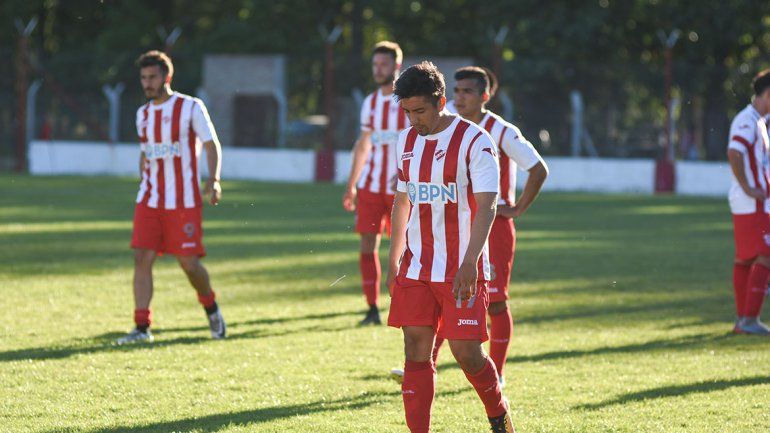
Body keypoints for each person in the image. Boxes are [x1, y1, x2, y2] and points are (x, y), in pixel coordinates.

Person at [387, 61, 514, 433]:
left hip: (461, 265)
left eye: (420, 111)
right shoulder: (405, 141)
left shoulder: (475, 140)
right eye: (407, 112)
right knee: (415, 348)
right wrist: (393, 256)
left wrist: (470, 262)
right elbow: (402, 200)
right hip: (417, 265)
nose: (414, 120)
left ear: (441, 101)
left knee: (467, 354)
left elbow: (488, 204)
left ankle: (498, 415)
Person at [428, 66, 548, 384]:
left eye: (468, 91)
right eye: (456, 91)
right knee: (442, 292)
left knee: (495, 302)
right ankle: (428, 364)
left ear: (485, 96)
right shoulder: (446, 124)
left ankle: (498, 372)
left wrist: (518, 208)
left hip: (492, 227)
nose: (459, 97)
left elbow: (538, 169)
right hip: (451, 225)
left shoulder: (502, 131)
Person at [117, 50, 225, 344]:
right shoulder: (143, 114)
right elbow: (146, 153)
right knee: (142, 257)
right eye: (143, 78)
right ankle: (141, 327)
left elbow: (211, 144)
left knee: (189, 263)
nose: (147, 83)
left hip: (184, 201)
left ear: (167, 77)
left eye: (152, 77)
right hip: (149, 199)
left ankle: (211, 307)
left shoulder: (191, 107)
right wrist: (143, 177)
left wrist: (213, 179)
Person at [342, 41, 409, 325]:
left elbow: (418, 142)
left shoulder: (408, 101)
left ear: (396, 66)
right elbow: (364, 144)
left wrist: (405, 171)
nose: (378, 69)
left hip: (401, 191)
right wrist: (351, 185)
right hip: (370, 187)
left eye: (383, 64)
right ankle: (372, 307)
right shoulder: (370, 103)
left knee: (403, 248)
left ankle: (405, 304)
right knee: (367, 246)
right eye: (375, 65)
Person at [727, 68, 770, 335]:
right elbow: (735, 152)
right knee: (765, 255)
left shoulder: (760, 121)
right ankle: (749, 319)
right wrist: (748, 187)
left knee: (745, 259)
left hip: (750, 202)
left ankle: (743, 320)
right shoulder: (747, 120)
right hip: (752, 203)